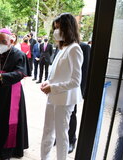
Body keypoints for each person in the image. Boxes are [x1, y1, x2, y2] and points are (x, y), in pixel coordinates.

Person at [0, 28, 30, 160]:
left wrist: (1, 77)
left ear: (11, 40)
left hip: (11, 94)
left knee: (9, 121)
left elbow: (21, 73)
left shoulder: (19, 54)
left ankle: (8, 151)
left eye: (4, 41)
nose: (1, 43)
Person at [40, 13, 83, 160]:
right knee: (47, 131)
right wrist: (47, 82)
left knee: (61, 134)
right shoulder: (63, 48)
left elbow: (75, 81)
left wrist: (53, 87)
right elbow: (56, 73)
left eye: (59, 28)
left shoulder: (74, 49)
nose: (56, 31)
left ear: (68, 28)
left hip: (64, 100)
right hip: (53, 97)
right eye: (55, 28)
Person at [68, 42, 91, 153]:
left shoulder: (84, 47)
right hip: (59, 88)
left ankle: (71, 139)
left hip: (74, 88)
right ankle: (59, 137)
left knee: (72, 114)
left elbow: (85, 70)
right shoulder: (62, 45)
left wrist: (80, 92)